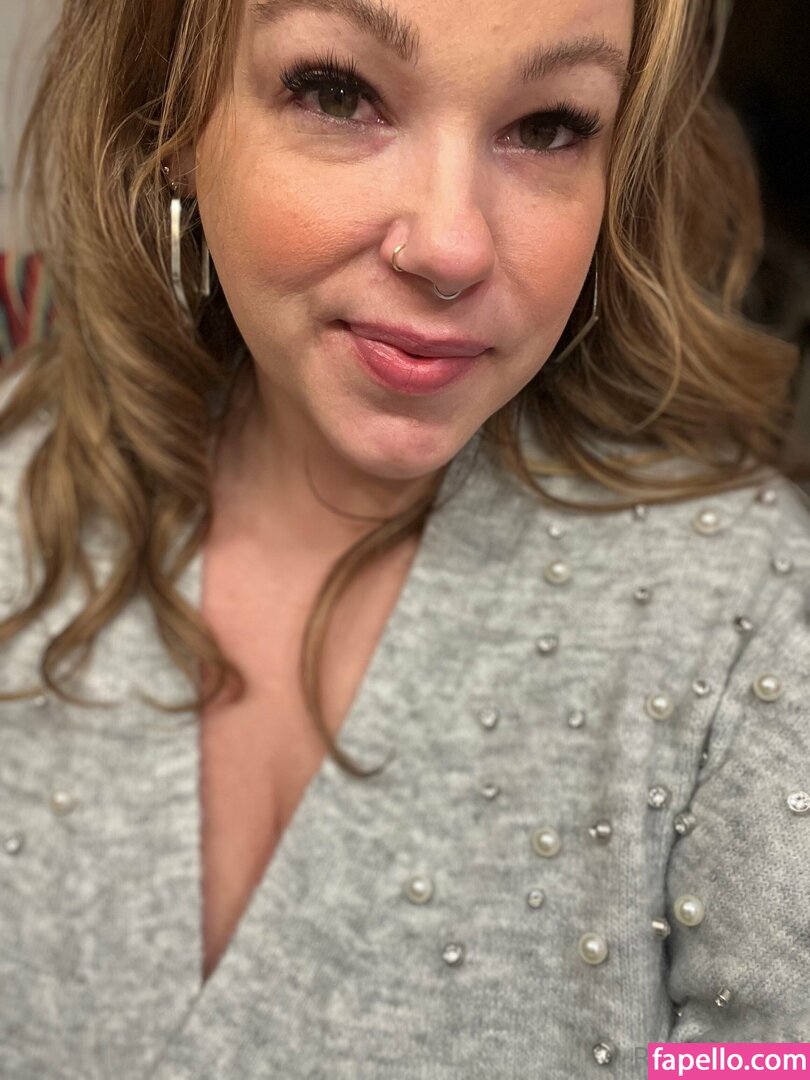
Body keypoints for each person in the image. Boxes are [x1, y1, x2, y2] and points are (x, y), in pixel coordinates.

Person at [0, 0, 808, 1075]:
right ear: (172, 119)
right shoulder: (18, 501)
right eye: (337, 93)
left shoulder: (744, 613)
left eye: (550, 127)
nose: (451, 245)